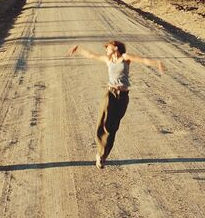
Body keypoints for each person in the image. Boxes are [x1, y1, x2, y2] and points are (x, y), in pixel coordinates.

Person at [68, 40, 164, 168]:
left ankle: (103, 156)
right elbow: (92, 55)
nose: (106, 50)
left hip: (123, 96)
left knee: (113, 126)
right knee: (104, 122)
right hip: (110, 94)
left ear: (116, 48)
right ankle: (100, 153)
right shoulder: (108, 60)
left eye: (108, 47)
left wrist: (157, 63)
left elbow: (143, 60)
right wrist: (79, 50)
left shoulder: (125, 58)